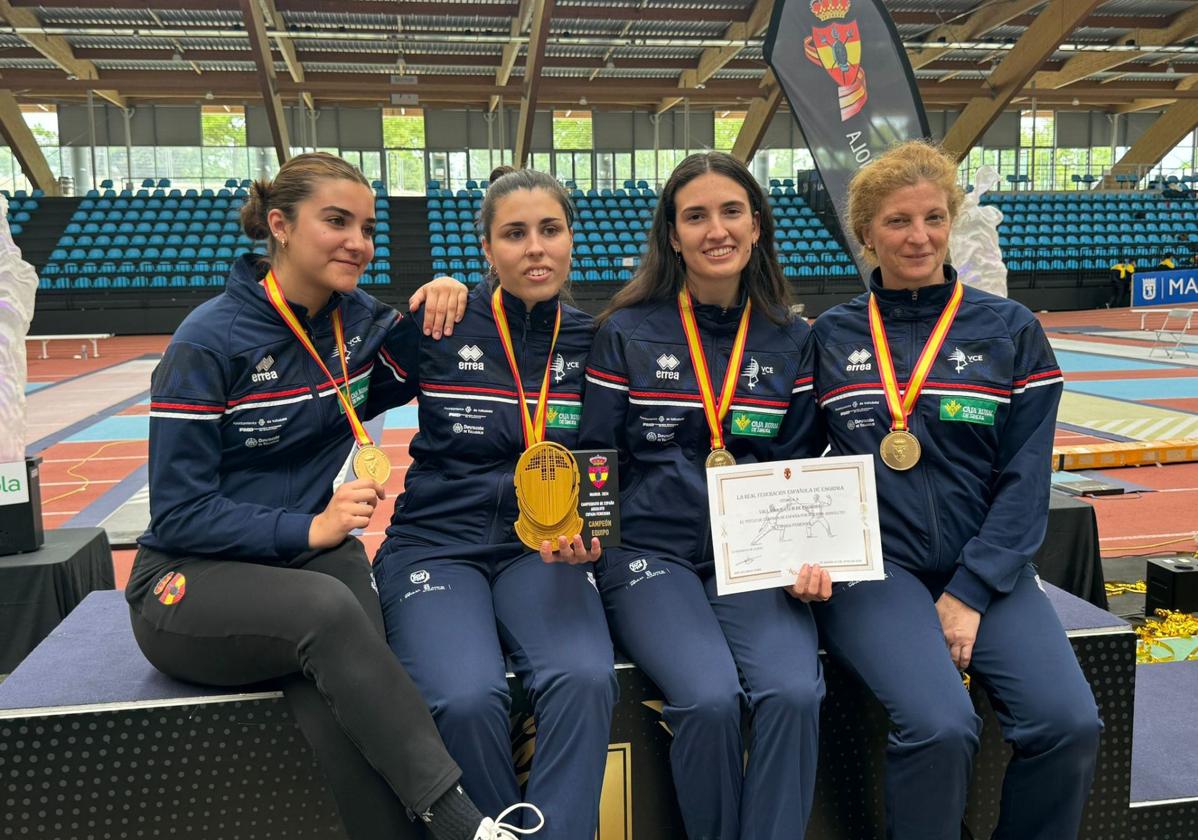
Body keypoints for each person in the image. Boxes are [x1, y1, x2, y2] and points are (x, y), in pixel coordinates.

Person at [126, 152, 540, 840]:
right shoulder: (208, 342)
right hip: (186, 578)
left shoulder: (359, 326)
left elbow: (428, 353)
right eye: (337, 221)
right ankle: (463, 824)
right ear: (280, 225)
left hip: (298, 567)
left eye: (368, 227)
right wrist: (309, 529)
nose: (359, 242)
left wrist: (450, 289)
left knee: (343, 669)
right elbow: (178, 512)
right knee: (328, 605)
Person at [810, 140, 1101, 840]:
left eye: (934, 217)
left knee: (1068, 724)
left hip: (989, 567)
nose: (919, 237)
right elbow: (788, 462)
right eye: (898, 222)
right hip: (876, 570)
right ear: (866, 233)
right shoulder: (830, 336)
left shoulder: (1011, 332)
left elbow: (1026, 477)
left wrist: (971, 591)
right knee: (941, 727)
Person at [579, 151, 830, 840]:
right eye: (695, 216)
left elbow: (801, 465)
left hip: (752, 559)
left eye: (730, 212)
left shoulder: (790, 339)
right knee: (710, 699)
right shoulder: (625, 331)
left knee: (793, 692)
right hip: (650, 557)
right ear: (672, 234)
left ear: (756, 225)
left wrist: (808, 557)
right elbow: (597, 458)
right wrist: (592, 549)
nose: (715, 229)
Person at [373, 166, 616, 840]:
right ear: (486, 248)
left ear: (571, 241)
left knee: (585, 678)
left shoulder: (594, 340)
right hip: (436, 544)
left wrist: (593, 534)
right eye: (515, 233)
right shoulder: (442, 322)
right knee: (463, 695)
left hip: (540, 547)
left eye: (549, 230)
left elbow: (602, 457)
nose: (534, 247)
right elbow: (338, 383)